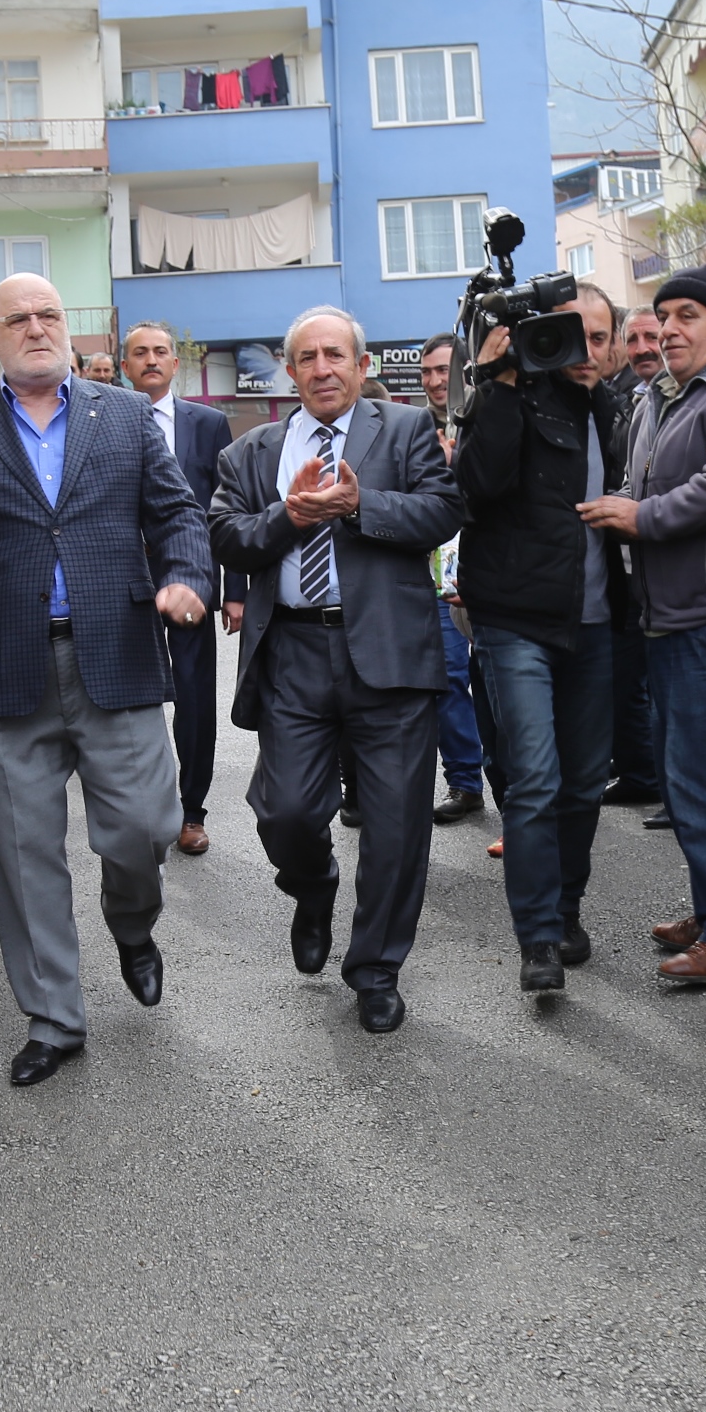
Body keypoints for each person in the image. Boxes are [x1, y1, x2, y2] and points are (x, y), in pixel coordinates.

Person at [0, 273, 211, 1087]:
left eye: (48, 313)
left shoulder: (122, 413)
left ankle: (133, 922)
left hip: (116, 654)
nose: (35, 327)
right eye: (16, 318)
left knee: (147, 824)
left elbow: (176, 512)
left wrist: (185, 575)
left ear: (67, 326)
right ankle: (54, 1018)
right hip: (4, 670)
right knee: (23, 859)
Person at [211, 306, 463, 1034]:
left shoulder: (406, 429)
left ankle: (376, 969)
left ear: (361, 365)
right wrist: (288, 518)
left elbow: (443, 512)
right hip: (292, 652)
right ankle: (313, 885)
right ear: (289, 371)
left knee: (396, 825)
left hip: (390, 649)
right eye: (307, 358)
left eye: (335, 355)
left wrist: (360, 505)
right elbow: (225, 536)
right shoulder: (252, 451)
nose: (322, 369)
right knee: (285, 811)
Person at [582, 266, 706, 985]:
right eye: (662, 315)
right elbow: (642, 481)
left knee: (702, 777)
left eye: (687, 315)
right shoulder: (660, 396)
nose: (667, 329)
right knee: (685, 776)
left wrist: (640, 517)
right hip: (671, 614)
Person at [455, 290, 623, 990]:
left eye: (600, 337)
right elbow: (475, 487)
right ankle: (539, 938)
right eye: (572, 334)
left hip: (597, 620)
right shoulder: (511, 398)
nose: (586, 349)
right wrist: (497, 383)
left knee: (584, 782)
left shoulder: (617, 409)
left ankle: (566, 908)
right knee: (534, 779)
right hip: (516, 618)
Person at [123, 320, 236, 858]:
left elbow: (229, 508)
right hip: (126, 585)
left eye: (160, 352)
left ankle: (193, 811)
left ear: (174, 363)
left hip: (191, 581)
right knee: (132, 701)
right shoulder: (106, 421)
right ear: (125, 366)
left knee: (194, 699)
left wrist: (233, 587)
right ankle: (146, 811)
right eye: (140, 352)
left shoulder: (208, 424)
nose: (151, 360)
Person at [415, 331, 488, 824]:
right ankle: (465, 781)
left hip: (493, 572)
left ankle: (519, 790)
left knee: (499, 683)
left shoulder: (487, 413)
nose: (435, 380)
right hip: (438, 575)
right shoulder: (411, 427)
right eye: (427, 372)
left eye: (443, 370)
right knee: (448, 679)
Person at [603, 303, 667, 816]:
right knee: (638, 686)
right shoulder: (640, 401)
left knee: (658, 688)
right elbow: (631, 479)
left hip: (680, 578)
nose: (643, 349)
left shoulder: (676, 397)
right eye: (633, 339)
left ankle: (655, 779)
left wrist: (635, 513)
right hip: (632, 570)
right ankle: (649, 776)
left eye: (653, 336)